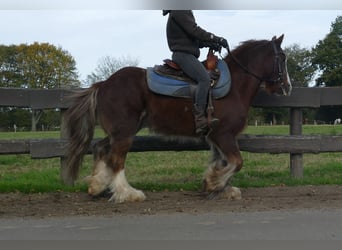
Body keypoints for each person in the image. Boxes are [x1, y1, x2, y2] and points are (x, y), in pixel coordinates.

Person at [163, 10, 228, 135]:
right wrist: (216, 38)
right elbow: (194, 30)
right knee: (204, 79)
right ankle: (200, 120)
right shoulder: (180, 9)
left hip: (187, 54)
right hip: (183, 55)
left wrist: (211, 43)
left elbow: (193, 38)